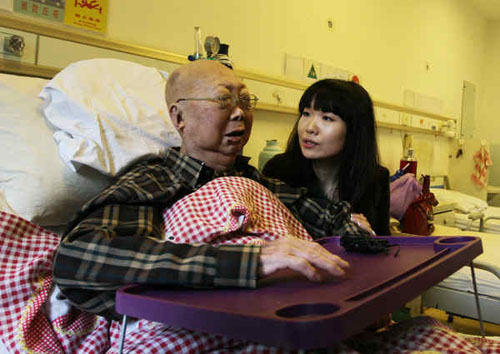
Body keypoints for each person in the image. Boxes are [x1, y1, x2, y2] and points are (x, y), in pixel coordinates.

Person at [52, 60, 367, 320]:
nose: (239, 112)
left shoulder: (257, 182)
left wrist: (353, 227)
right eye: (222, 101)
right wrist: (251, 261)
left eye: (245, 101)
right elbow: (78, 258)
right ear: (179, 117)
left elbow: (332, 220)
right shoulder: (158, 179)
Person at [263, 79, 390, 236]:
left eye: (327, 118)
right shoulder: (279, 170)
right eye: (306, 114)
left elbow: (386, 243)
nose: (309, 128)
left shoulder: (375, 177)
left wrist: (369, 234)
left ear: (354, 130)